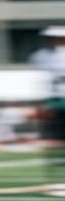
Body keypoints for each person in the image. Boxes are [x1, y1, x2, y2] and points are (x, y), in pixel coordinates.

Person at [30, 26, 65, 191]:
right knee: (54, 143)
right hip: (53, 102)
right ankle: (57, 180)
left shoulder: (45, 57)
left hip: (57, 101)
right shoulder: (41, 56)